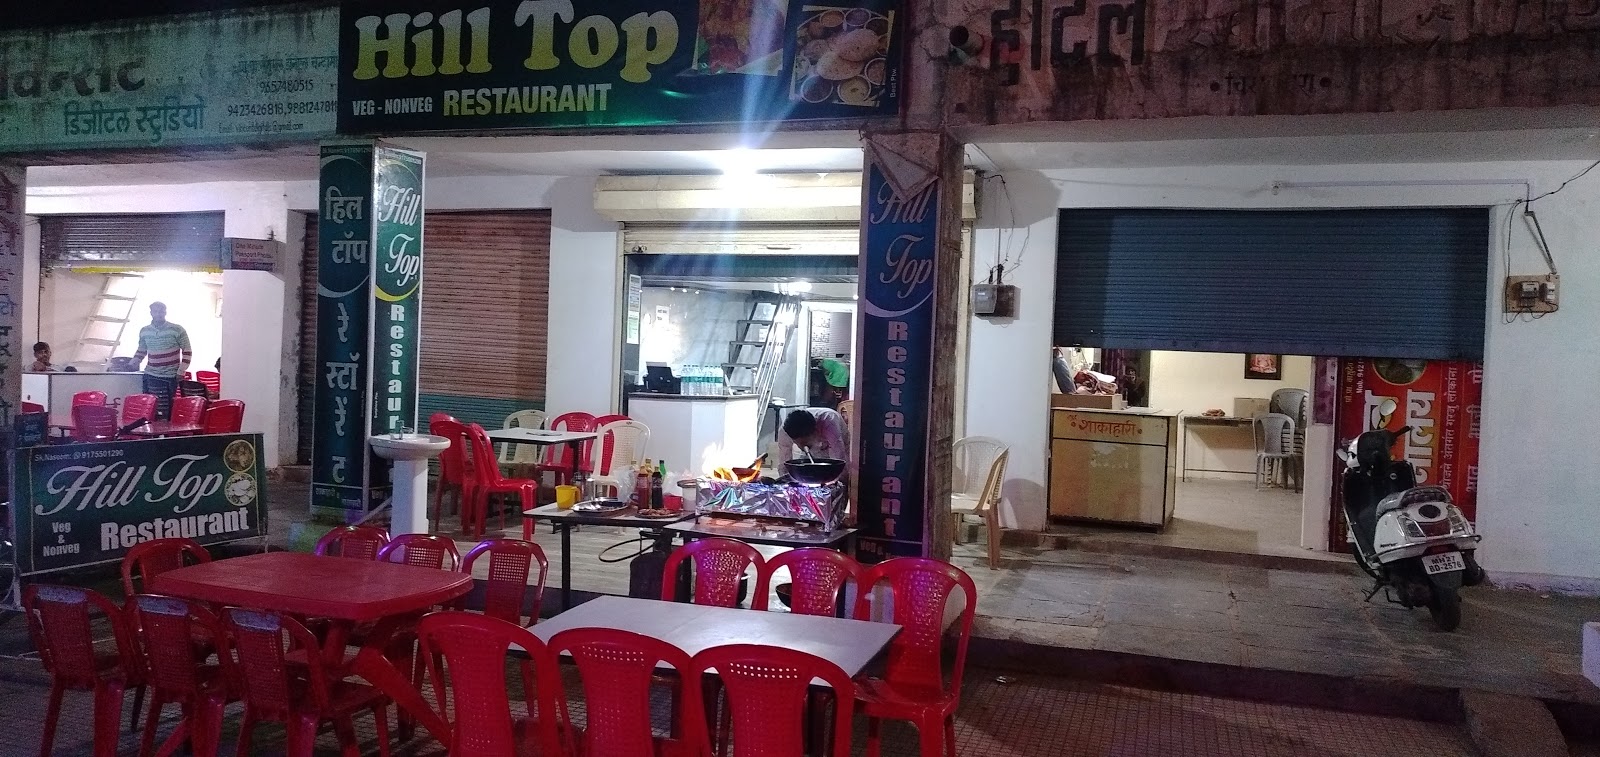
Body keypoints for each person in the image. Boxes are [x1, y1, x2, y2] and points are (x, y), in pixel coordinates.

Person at [131, 302, 192, 420]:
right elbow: (141, 350)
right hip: (150, 374)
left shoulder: (177, 329)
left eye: (161, 311)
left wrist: (181, 370)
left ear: (165, 312)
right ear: (151, 313)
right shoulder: (144, 331)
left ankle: (165, 431)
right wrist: (133, 362)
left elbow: (187, 351)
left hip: (169, 376)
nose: (159, 314)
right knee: (149, 409)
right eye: (156, 311)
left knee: (166, 410)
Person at [778, 407, 849, 462]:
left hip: (839, 443)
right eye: (798, 443)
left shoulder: (829, 423)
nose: (802, 446)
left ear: (814, 431)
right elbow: (784, 461)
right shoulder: (785, 431)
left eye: (805, 442)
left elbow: (839, 457)